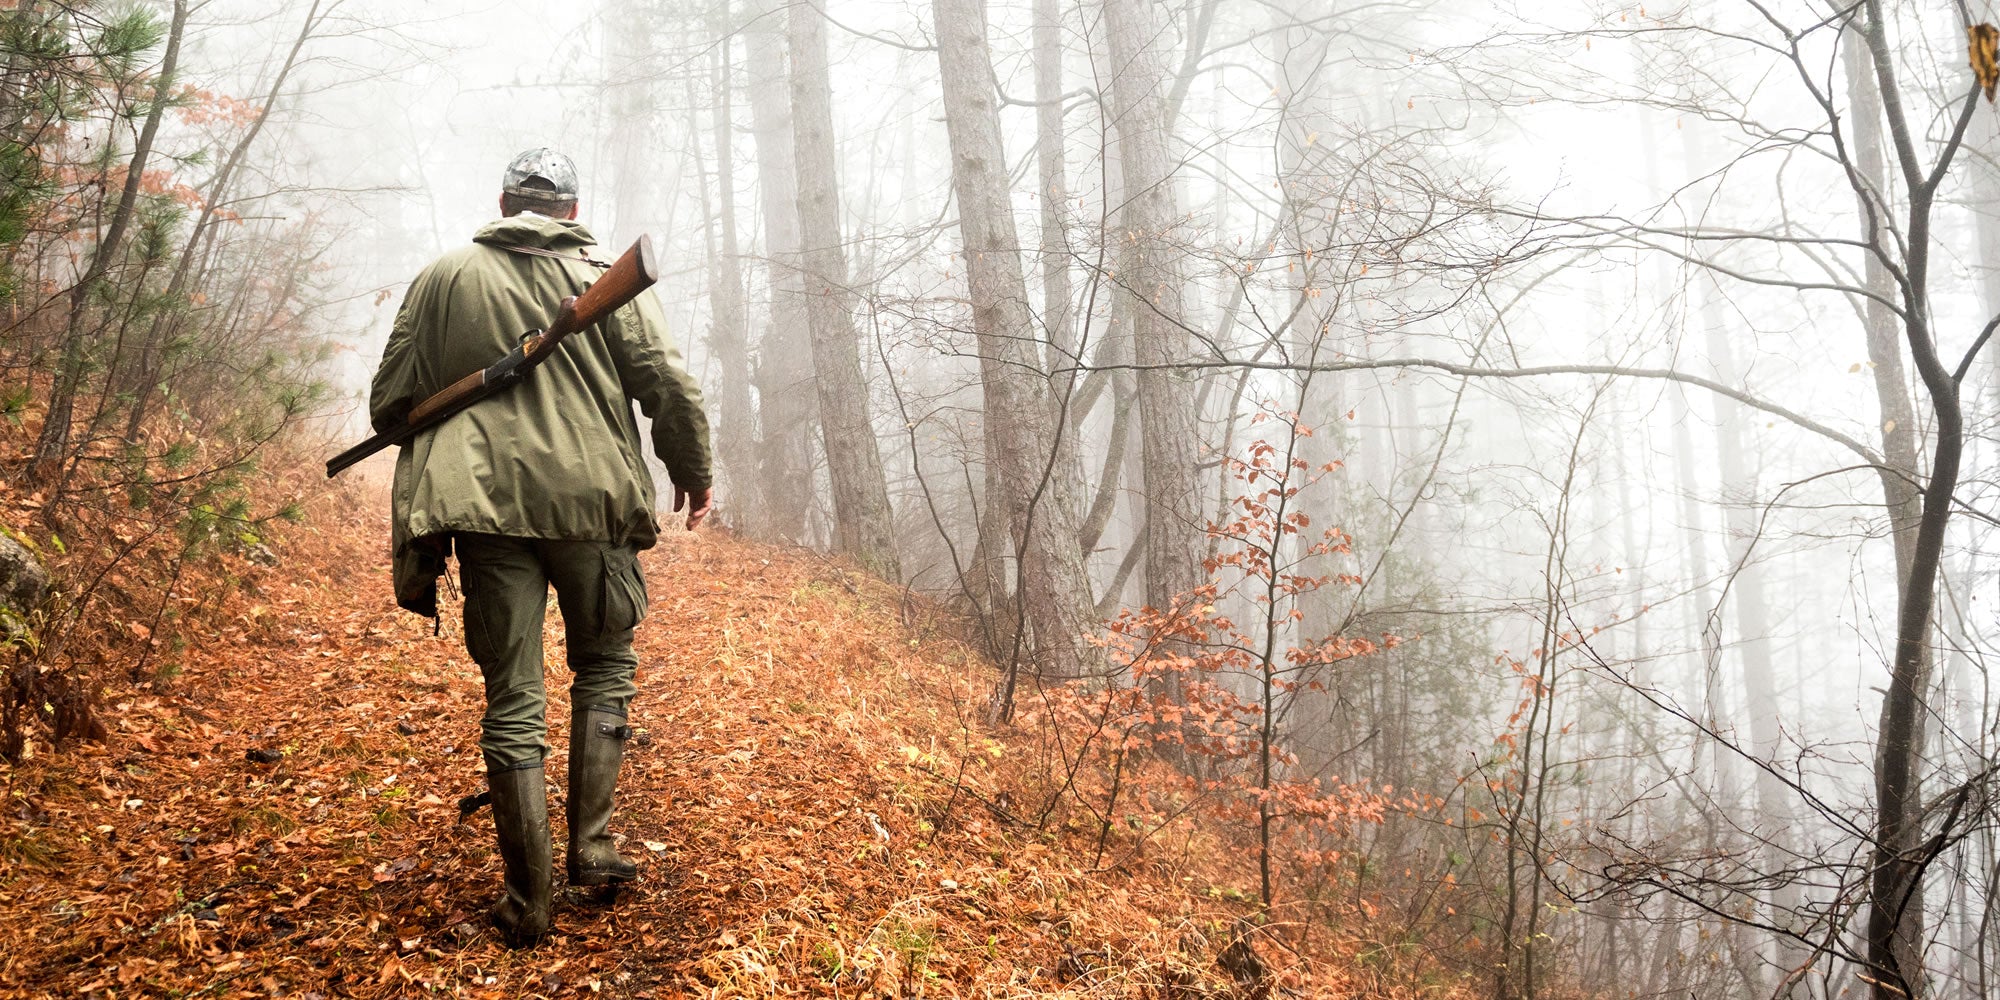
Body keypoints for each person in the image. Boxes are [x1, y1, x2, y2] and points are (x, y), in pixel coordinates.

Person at [368, 147, 713, 947]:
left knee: (512, 700)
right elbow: (668, 384)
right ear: (570, 209)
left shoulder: (444, 277)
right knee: (606, 668)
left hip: (487, 511)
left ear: (502, 201)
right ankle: (592, 848)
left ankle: (528, 901)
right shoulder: (600, 276)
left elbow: (391, 401)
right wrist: (693, 476)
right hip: (592, 507)